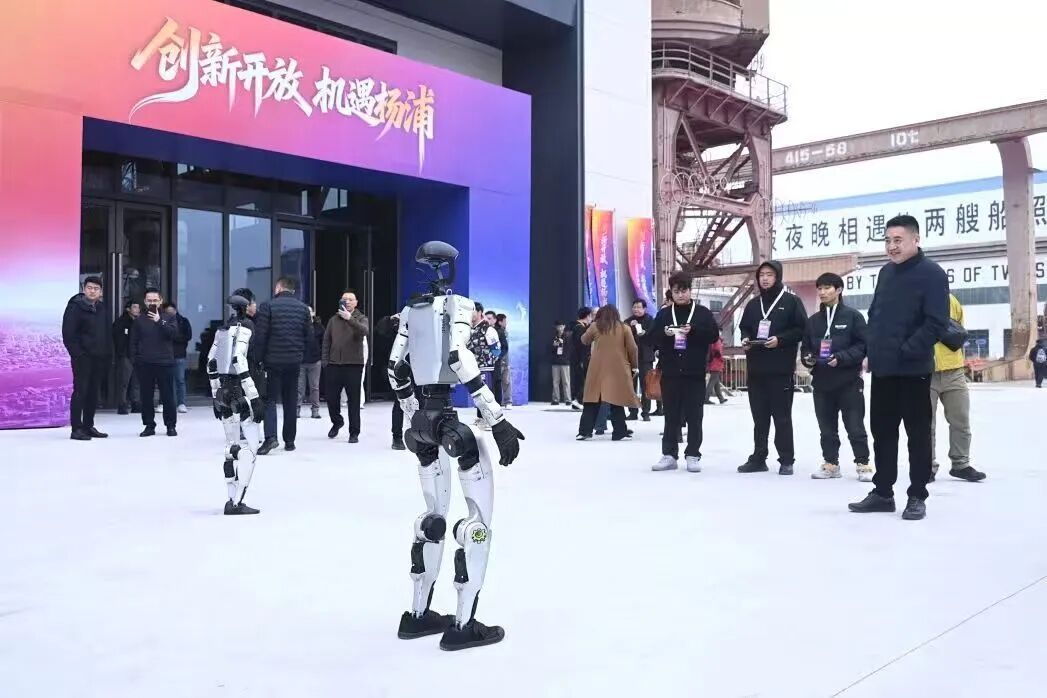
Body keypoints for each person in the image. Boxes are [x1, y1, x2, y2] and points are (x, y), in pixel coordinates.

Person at [388, 241, 523, 651]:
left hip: (422, 423)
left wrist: (412, 410)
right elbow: (459, 357)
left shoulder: (411, 310)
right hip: (448, 421)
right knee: (477, 522)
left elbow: (395, 368)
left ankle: (418, 616)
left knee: (433, 518)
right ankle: (464, 625)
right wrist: (496, 418)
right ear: (450, 267)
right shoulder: (457, 305)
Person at [849, 215, 949, 521]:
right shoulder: (886, 272)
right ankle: (883, 492)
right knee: (882, 433)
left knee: (917, 435)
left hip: (913, 369)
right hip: (883, 370)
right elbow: (876, 316)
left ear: (915, 239)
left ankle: (917, 495)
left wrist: (905, 351)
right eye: (888, 240)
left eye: (898, 240)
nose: (891, 246)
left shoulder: (932, 274)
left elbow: (936, 323)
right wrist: (872, 351)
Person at [738, 260, 808, 475]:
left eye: (769, 274)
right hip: (756, 371)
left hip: (780, 371)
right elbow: (745, 327)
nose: (765, 279)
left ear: (777, 277)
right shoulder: (753, 304)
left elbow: (802, 330)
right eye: (761, 275)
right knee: (759, 419)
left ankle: (786, 459)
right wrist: (745, 339)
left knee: (782, 417)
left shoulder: (791, 301)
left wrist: (781, 339)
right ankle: (759, 458)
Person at [800, 273, 872, 481]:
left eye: (827, 288)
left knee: (855, 426)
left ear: (839, 290)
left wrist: (841, 358)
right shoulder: (813, 321)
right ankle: (831, 464)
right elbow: (806, 347)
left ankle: (863, 464)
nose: (822, 292)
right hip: (822, 382)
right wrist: (808, 359)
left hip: (849, 381)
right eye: (819, 288)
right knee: (826, 428)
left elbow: (863, 346)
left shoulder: (853, 317)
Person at [650, 272, 719, 472]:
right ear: (671, 292)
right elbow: (651, 337)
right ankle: (669, 454)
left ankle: (693, 454)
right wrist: (665, 333)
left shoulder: (702, 313)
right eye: (676, 291)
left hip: (694, 372)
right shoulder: (664, 314)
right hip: (670, 371)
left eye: (684, 290)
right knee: (670, 415)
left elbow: (714, 335)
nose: (680, 295)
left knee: (695, 415)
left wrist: (694, 331)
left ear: (690, 290)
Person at [207, 295, 264, 515]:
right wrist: (254, 396)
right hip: (240, 392)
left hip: (224, 391)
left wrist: (215, 392)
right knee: (250, 449)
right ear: (246, 307)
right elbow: (239, 360)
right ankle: (237, 501)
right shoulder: (246, 328)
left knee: (232, 447)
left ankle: (231, 498)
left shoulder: (222, 330)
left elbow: (211, 362)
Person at [930, 293, 985, 483]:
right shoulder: (912, 299)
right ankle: (926, 466)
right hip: (924, 372)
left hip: (954, 370)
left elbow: (959, 329)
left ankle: (961, 464)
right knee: (926, 424)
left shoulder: (951, 300)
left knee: (960, 420)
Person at [252, 277, 311, 454]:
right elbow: (309, 336)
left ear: (279, 288)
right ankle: (290, 440)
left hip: (273, 362)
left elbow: (261, 336)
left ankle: (271, 438)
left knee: (270, 400)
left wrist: (257, 359)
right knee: (290, 400)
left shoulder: (268, 306)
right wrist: (301, 356)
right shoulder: (303, 309)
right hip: (294, 362)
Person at [575, 305, 639, 441]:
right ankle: (619, 432)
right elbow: (633, 348)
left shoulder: (595, 326)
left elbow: (584, 340)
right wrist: (634, 366)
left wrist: (590, 326)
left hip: (597, 369)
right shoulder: (624, 328)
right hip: (618, 368)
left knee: (592, 400)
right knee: (617, 400)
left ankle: (584, 431)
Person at [62, 276, 111, 440]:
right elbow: (68, 334)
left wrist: (107, 353)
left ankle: (88, 426)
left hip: (99, 357)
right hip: (82, 358)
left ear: (100, 292)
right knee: (80, 391)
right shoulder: (75, 307)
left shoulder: (102, 308)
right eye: (90, 288)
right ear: (84, 289)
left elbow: (107, 333)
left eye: (96, 288)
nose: (92, 291)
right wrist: (78, 354)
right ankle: (76, 429)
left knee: (93, 393)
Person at [131, 288, 179, 437]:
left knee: (168, 396)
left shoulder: (169, 317)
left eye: (155, 300)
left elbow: (173, 334)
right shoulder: (139, 320)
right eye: (149, 300)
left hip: (165, 362)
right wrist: (135, 360)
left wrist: (159, 321)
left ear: (160, 301)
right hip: (145, 363)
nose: (152, 303)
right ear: (145, 302)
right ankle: (149, 425)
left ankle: (170, 425)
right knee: (146, 397)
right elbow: (133, 341)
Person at [323, 290, 369, 443]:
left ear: (356, 303)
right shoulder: (333, 320)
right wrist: (325, 362)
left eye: (350, 299)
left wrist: (350, 319)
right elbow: (326, 341)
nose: (347, 302)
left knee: (354, 401)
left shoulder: (361, 318)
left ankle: (354, 432)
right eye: (344, 299)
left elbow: (364, 331)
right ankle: (337, 421)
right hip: (334, 364)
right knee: (331, 398)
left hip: (353, 365)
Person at [376, 313, 409, 450]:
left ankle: (420, 434)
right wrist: (390, 320)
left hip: (419, 365)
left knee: (421, 401)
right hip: (398, 367)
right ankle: (397, 437)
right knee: (400, 401)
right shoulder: (398, 321)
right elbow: (381, 330)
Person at [467, 302, 501, 429]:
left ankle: (491, 420)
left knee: (486, 395)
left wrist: (488, 361)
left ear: (480, 312)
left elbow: (496, 350)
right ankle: (481, 418)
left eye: (473, 311)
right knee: (477, 395)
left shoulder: (488, 330)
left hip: (486, 368)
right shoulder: (471, 329)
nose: (470, 314)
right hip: (474, 368)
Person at [626, 299, 655, 421]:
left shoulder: (650, 320)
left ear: (644, 309)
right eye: (634, 307)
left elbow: (653, 337)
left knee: (646, 385)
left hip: (645, 357)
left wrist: (641, 330)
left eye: (639, 307)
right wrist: (631, 327)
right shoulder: (628, 321)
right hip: (631, 358)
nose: (636, 309)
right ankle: (632, 412)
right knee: (631, 385)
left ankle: (645, 412)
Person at [112, 299, 141, 414]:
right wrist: (122, 354)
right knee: (123, 382)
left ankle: (136, 404)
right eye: (135, 307)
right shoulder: (121, 322)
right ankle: (122, 405)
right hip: (125, 355)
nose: (137, 310)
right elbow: (119, 341)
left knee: (136, 382)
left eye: (138, 307)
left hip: (137, 356)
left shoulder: (139, 322)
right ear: (128, 309)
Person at [164, 301, 192, 414]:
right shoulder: (162, 321)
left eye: (171, 311)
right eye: (167, 312)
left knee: (180, 380)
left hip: (179, 354)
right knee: (166, 381)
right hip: (165, 355)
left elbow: (188, 336)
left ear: (175, 310)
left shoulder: (183, 321)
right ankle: (166, 403)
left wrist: (174, 337)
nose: (170, 313)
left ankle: (181, 403)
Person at [298, 306, 324, 419]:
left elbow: (324, 343)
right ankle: (296, 409)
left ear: (313, 313)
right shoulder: (298, 327)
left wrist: (321, 356)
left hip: (315, 361)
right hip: (301, 361)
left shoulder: (319, 327)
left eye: (309, 311)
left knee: (314, 387)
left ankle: (315, 410)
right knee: (299, 388)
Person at [566, 306, 593, 410]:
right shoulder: (580, 328)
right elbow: (582, 345)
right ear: (588, 316)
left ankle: (575, 401)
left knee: (577, 380)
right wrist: (583, 359)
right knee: (582, 380)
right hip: (580, 358)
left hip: (573, 357)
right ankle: (578, 400)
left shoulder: (572, 326)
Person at [550, 320, 571, 405]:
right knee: (555, 381)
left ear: (564, 326)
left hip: (565, 361)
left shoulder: (568, 336)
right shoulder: (553, 336)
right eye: (558, 326)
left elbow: (570, 348)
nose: (560, 328)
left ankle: (568, 399)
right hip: (556, 361)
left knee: (566, 382)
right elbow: (550, 349)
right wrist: (554, 345)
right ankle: (555, 399)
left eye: (561, 326)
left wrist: (563, 343)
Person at [705, 331, 728, 406]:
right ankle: (706, 398)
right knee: (712, 381)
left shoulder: (713, 339)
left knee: (716, 382)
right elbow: (717, 350)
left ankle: (721, 398)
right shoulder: (717, 340)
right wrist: (721, 358)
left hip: (713, 362)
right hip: (717, 363)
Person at [495, 313, 512, 409]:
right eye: (505, 321)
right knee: (496, 382)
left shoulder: (505, 332)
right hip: (497, 361)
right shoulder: (495, 332)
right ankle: (497, 401)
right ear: (500, 322)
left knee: (506, 381)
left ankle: (508, 401)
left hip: (505, 361)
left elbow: (506, 348)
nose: (506, 323)